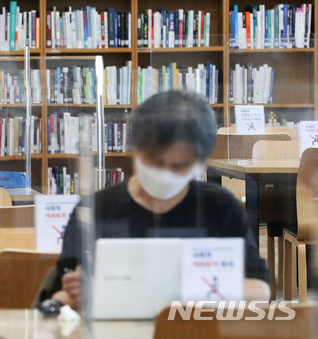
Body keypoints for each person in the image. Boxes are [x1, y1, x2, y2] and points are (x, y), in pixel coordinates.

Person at [48, 90, 270, 310]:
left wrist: (128, 291)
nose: (164, 173)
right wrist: (78, 295)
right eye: (154, 160)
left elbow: (259, 291)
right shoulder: (95, 210)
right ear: (134, 148)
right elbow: (60, 295)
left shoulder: (219, 206)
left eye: (179, 165)